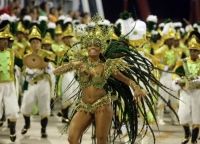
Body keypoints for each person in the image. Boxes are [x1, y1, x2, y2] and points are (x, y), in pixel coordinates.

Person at [53, 17, 170, 143]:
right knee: (72, 138)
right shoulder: (80, 63)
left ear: (101, 48)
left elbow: (126, 79)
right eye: (90, 44)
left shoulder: (107, 65)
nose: (93, 47)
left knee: (101, 140)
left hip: (102, 105)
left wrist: (136, 88)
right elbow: (56, 71)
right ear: (86, 46)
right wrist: (71, 65)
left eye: (97, 45)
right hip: (84, 106)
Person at [21, 25, 51, 138]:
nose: (35, 44)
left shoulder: (46, 55)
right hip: (31, 83)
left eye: (37, 42)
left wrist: (46, 66)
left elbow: (51, 69)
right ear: (30, 44)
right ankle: (27, 124)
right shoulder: (26, 56)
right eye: (33, 42)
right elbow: (24, 71)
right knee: (26, 104)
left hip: (43, 83)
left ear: (40, 43)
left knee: (44, 107)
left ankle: (43, 130)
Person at [175, 31, 200, 144]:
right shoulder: (183, 62)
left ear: (199, 51)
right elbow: (175, 74)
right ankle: (187, 134)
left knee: (197, 116)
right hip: (185, 91)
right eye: (191, 50)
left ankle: (193, 140)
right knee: (183, 115)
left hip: (197, 92)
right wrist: (178, 80)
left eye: (195, 50)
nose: (193, 52)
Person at [0, 24, 19, 142]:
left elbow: (23, 62)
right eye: (2, 40)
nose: (5, 42)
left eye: (7, 40)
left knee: (12, 109)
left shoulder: (12, 53)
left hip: (9, 84)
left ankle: (12, 131)